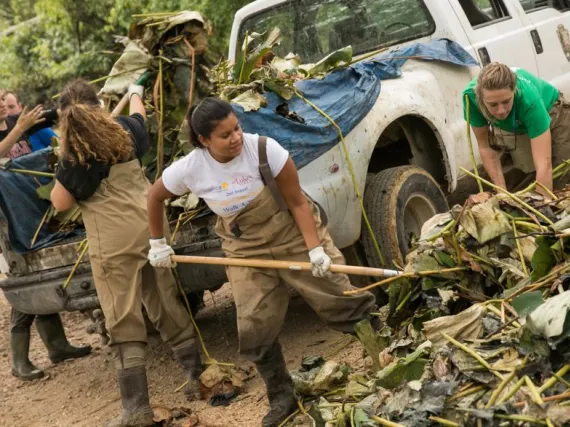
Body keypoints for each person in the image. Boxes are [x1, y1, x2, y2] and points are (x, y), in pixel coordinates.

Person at [147, 98, 377, 427]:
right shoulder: (190, 169)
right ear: (203, 141)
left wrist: (315, 250)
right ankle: (282, 395)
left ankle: (385, 353)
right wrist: (157, 243)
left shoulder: (266, 151)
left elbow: (298, 203)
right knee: (254, 323)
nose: (236, 137)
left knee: (338, 295)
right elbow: (154, 196)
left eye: (237, 128)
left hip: (292, 233)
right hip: (244, 248)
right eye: (225, 135)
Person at [49, 80, 202, 427]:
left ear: (64, 117)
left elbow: (60, 203)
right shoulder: (126, 131)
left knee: (122, 316)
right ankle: (197, 377)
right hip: (150, 227)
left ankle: (136, 410)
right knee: (164, 300)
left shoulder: (74, 157)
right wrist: (134, 90)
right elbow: (139, 111)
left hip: (114, 239)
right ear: (100, 105)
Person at [0, 92, 92, 380]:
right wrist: (18, 129)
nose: (2, 105)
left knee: (41, 276)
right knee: (24, 283)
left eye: (1, 100)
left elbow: (52, 117)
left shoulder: (18, 120)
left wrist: (77, 106)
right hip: (11, 219)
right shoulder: (17, 125)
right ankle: (19, 361)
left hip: (36, 209)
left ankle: (57, 346)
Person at [463, 62, 570, 195]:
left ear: (514, 91)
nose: (501, 110)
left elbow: (543, 164)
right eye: (493, 105)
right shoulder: (470, 98)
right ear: (480, 97)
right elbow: (485, 147)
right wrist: (502, 193)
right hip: (520, 124)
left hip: (554, 112)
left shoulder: (528, 100)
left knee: (563, 179)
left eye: (506, 101)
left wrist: (543, 205)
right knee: (526, 177)